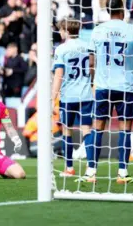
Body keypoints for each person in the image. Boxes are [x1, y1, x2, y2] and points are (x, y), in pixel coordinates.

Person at [85, 0, 133, 183]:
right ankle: (122, 173)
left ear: (108, 11)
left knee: (98, 128)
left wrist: (93, 81)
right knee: (125, 130)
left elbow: (92, 61)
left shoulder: (97, 31)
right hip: (126, 87)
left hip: (103, 87)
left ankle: (91, 172)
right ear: (123, 10)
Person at [51, 19, 94, 177]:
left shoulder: (61, 49)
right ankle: (91, 169)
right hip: (86, 95)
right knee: (87, 131)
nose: (60, 33)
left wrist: (52, 98)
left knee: (66, 131)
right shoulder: (87, 46)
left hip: (69, 96)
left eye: (61, 30)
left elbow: (58, 75)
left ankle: (69, 168)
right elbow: (92, 65)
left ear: (67, 31)